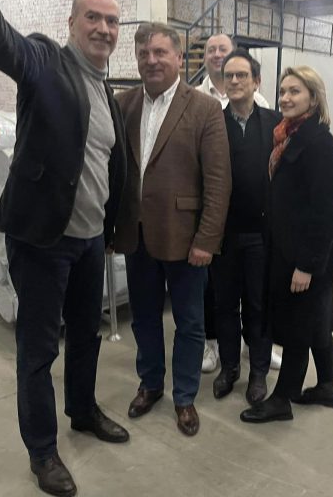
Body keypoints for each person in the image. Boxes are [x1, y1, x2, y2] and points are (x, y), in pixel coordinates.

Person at [0, 0, 129, 495]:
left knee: (87, 336)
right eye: (93, 18)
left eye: (112, 21)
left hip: (89, 242)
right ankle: (43, 451)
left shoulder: (105, 90)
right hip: (43, 241)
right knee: (38, 350)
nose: (103, 28)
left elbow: (107, 167)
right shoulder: (45, 62)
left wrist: (111, 229)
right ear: (71, 24)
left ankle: (82, 410)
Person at [114, 22, 231, 437]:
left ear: (180, 58)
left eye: (160, 52)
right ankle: (150, 384)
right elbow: (115, 171)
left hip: (186, 239)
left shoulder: (204, 108)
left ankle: (184, 396)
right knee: (144, 319)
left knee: (190, 323)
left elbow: (218, 181)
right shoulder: (123, 104)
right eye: (144, 54)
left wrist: (207, 240)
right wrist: (112, 227)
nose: (151, 60)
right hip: (137, 236)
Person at [240, 66, 333, 424]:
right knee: (315, 317)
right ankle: (327, 385)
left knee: (299, 324)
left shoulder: (320, 144)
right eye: (282, 91)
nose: (285, 98)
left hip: (305, 253)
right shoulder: (287, 136)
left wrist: (307, 266)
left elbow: (324, 213)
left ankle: (282, 398)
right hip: (285, 247)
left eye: (295, 91)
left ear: (313, 98)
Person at [196, 32, 279, 373]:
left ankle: (258, 368)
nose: (234, 81)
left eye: (242, 75)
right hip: (223, 233)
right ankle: (229, 367)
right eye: (229, 75)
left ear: (256, 81)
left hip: (261, 232)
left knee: (258, 303)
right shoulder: (212, 121)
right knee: (224, 303)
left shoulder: (274, 123)